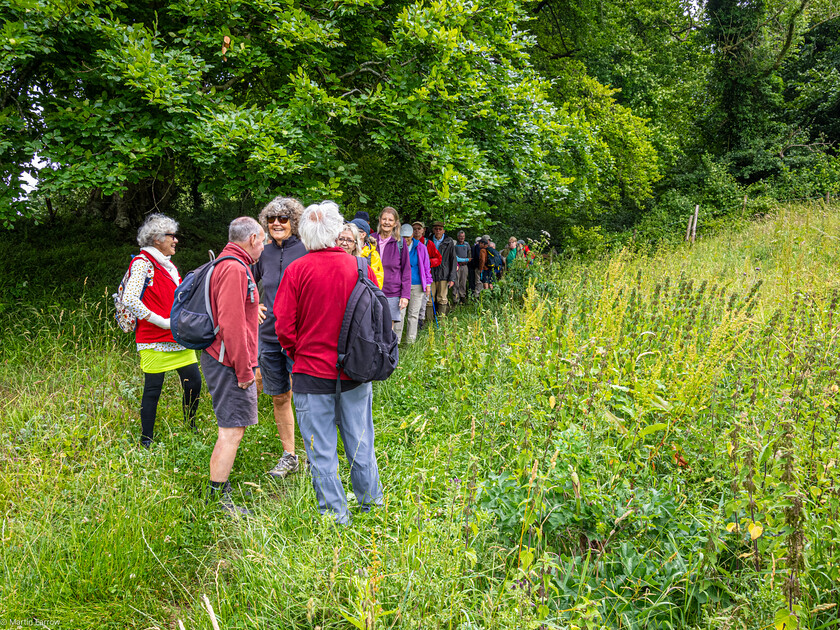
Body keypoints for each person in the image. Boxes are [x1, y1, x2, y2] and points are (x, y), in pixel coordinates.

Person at [274, 201, 383, 524]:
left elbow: (283, 326)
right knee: (361, 442)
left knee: (320, 449)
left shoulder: (296, 270)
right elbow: (377, 318)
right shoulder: (359, 268)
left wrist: (298, 353)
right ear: (338, 233)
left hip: (310, 372)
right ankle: (371, 506)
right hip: (355, 370)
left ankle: (335, 515)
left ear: (305, 235)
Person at [122, 213, 201, 447]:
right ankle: (146, 440)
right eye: (171, 236)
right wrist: (163, 322)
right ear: (157, 239)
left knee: (193, 383)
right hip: (153, 338)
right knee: (153, 390)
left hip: (178, 338)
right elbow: (130, 299)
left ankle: (190, 426)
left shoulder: (168, 265)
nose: (175, 240)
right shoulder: (142, 263)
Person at [203, 217, 265, 513]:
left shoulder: (231, 264)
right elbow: (232, 324)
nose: (263, 247)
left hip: (226, 359)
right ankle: (216, 498)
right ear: (252, 238)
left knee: (232, 427)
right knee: (231, 430)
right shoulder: (233, 269)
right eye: (263, 241)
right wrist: (244, 370)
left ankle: (219, 489)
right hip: (227, 361)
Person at [252, 197, 306, 479]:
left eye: (283, 218)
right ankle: (290, 455)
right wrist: (252, 304)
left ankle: (316, 450)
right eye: (271, 219)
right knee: (280, 397)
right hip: (270, 336)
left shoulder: (307, 249)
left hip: (301, 338)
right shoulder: (263, 253)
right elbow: (246, 279)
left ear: (293, 222)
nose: (276, 223)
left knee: (308, 396)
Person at [372, 207, 410, 330]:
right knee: (371, 326)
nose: (387, 222)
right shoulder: (371, 240)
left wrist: (405, 295)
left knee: (388, 328)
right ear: (379, 220)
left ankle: (388, 350)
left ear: (395, 223)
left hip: (392, 292)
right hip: (371, 290)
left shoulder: (400, 243)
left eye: (390, 220)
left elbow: (406, 270)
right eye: (384, 219)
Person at [395, 223, 432, 343]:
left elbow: (426, 267)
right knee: (400, 314)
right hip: (401, 284)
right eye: (403, 237)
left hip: (417, 283)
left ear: (412, 235)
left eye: (408, 237)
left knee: (414, 314)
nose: (406, 240)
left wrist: (428, 284)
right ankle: (396, 341)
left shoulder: (421, 247)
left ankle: (410, 341)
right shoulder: (397, 246)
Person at [412, 220, 440, 330]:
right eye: (414, 229)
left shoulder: (428, 243)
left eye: (419, 229)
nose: (417, 231)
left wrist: (427, 262)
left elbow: (438, 258)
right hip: (411, 277)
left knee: (423, 300)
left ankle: (420, 321)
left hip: (424, 277)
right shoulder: (407, 242)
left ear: (423, 230)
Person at [427, 220, 457, 320]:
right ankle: (429, 322)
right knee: (429, 299)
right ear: (433, 230)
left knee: (442, 298)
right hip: (430, 273)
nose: (438, 231)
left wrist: (452, 278)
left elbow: (453, 259)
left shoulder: (449, 242)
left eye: (440, 229)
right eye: (436, 229)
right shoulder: (428, 241)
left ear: (443, 230)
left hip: (444, 273)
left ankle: (441, 321)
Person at [347, 218, 384, 288]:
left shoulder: (373, 255)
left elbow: (377, 283)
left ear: (363, 234)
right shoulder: (346, 249)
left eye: (353, 230)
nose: (349, 232)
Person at [453, 230, 471, 305]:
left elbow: (469, 255)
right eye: (460, 236)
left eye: (463, 236)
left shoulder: (467, 244)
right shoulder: (455, 245)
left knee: (463, 282)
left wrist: (467, 261)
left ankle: (462, 297)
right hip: (456, 266)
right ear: (458, 237)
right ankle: (455, 299)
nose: (462, 238)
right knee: (456, 282)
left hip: (464, 266)